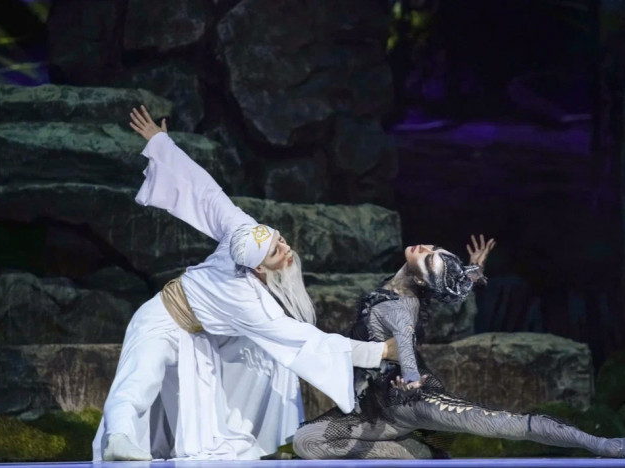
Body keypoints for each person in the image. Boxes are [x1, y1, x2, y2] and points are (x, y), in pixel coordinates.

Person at [93, 106, 397, 461]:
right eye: (275, 252)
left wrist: (161, 143)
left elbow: (204, 190)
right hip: (160, 318)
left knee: (268, 361)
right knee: (141, 378)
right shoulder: (246, 300)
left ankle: (264, 438)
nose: (286, 250)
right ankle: (118, 438)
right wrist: (378, 352)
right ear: (257, 268)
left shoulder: (243, 230)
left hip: (198, 337)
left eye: (280, 240)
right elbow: (308, 340)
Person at [293, 237, 625, 459]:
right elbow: (444, 291)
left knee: (500, 423)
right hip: (371, 408)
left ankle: (601, 444)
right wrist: (471, 271)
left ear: (422, 278)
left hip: (406, 401)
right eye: (432, 250)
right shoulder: (404, 288)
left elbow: (405, 348)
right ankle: (412, 451)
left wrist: (411, 380)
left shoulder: (399, 310)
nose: (425, 249)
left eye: (430, 257)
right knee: (305, 442)